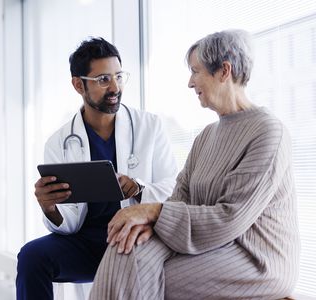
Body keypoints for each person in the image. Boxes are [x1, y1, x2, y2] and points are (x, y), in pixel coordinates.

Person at [88, 30, 300, 300]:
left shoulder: (268, 133)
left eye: (195, 71)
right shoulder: (207, 136)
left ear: (224, 71)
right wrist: (149, 221)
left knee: (145, 278)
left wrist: (153, 213)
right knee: (124, 248)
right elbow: (180, 198)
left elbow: (229, 218)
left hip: (255, 257)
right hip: (208, 244)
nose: (190, 82)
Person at [16, 37, 178, 300]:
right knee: (31, 257)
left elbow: (173, 188)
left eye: (118, 76)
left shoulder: (150, 127)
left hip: (135, 236)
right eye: (103, 79)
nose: (114, 86)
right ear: (79, 85)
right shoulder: (59, 143)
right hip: (86, 243)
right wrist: (50, 208)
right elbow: (67, 223)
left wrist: (139, 188)